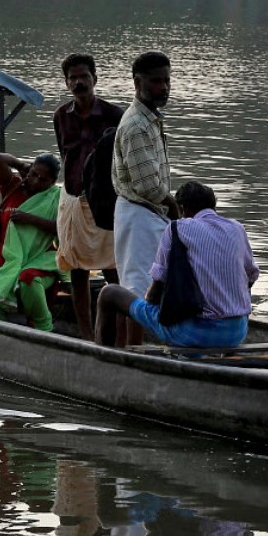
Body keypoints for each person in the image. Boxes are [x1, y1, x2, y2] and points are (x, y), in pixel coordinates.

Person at [95, 182, 258, 349]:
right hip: (237, 332)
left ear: (183, 209)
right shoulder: (237, 228)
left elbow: (155, 294)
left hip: (196, 333)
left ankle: (103, 358)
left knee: (109, 293)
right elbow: (251, 277)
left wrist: (148, 304)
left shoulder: (177, 228)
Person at [53, 52, 125, 340]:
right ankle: (86, 336)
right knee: (77, 269)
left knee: (113, 269)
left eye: (84, 76)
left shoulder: (114, 115)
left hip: (105, 202)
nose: (79, 82)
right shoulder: (61, 116)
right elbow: (64, 154)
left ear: (95, 78)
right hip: (72, 198)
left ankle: (120, 339)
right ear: (66, 83)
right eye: (73, 78)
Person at [112, 50, 178, 346]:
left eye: (166, 80)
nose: (163, 87)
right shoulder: (136, 124)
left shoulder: (150, 118)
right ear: (137, 82)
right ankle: (132, 352)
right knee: (137, 290)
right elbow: (147, 185)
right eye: (155, 81)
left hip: (151, 213)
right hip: (139, 213)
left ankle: (133, 347)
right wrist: (177, 206)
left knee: (144, 287)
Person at [0, 152, 62, 331]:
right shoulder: (13, 186)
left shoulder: (56, 198)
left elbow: (62, 230)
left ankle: (43, 326)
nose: (35, 181)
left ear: (52, 182)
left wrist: (30, 219)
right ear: (29, 170)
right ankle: (2, 326)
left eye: (43, 179)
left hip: (38, 257)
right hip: (6, 255)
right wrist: (20, 166)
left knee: (29, 279)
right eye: (34, 174)